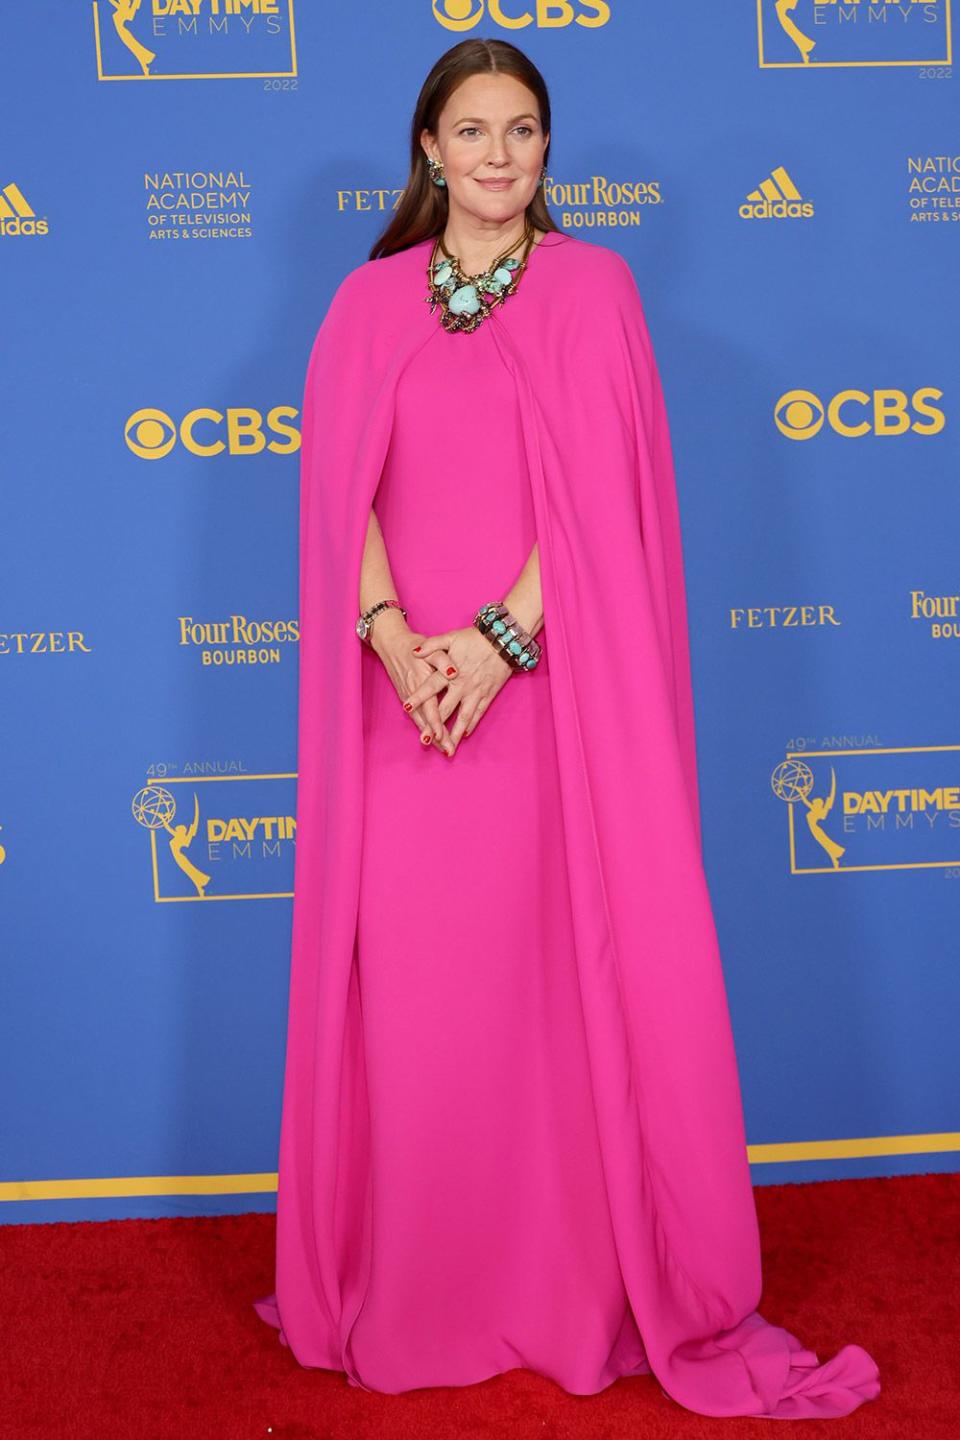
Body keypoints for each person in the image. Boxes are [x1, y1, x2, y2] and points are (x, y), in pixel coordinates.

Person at [253, 37, 881, 1419]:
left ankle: (574, 1288)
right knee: (419, 1009)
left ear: (548, 149)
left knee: (556, 993)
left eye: (520, 129)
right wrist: (399, 645)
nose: (494, 154)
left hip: (548, 711)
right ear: (426, 148)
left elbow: (602, 510)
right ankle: (416, 1283)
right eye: (469, 130)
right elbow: (336, 504)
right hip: (397, 711)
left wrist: (495, 643)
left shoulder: (598, 291)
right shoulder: (361, 308)